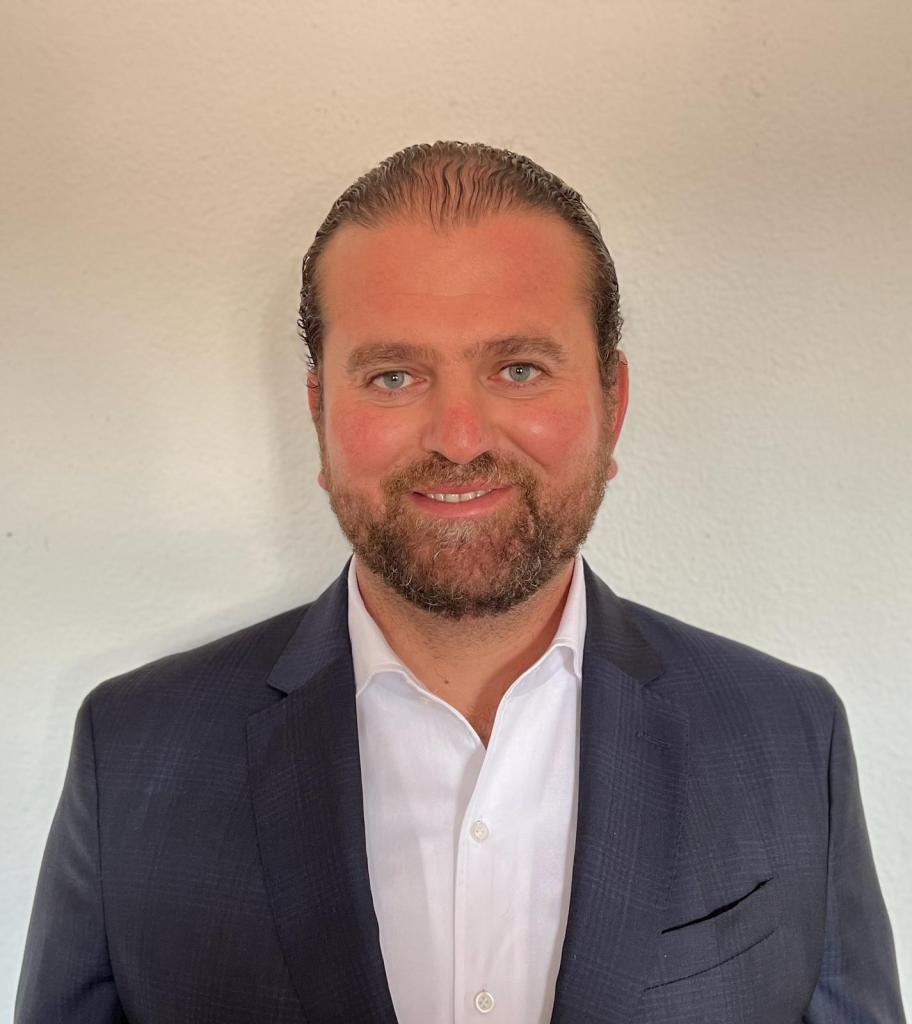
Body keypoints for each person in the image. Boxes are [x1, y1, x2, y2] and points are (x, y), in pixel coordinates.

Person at [16, 141, 904, 1024]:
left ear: (612, 402)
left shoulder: (790, 738)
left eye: (519, 368)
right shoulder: (131, 752)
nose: (459, 437)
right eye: (394, 375)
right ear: (321, 411)